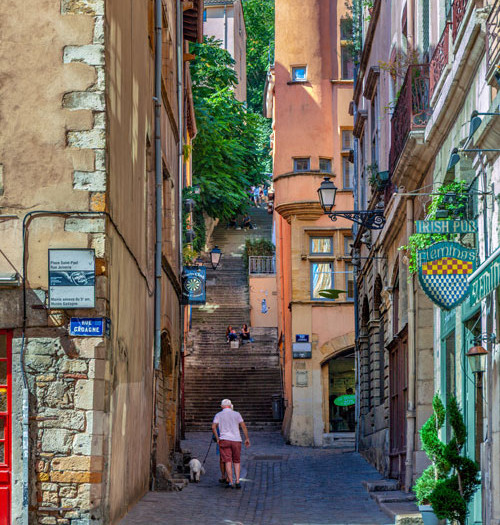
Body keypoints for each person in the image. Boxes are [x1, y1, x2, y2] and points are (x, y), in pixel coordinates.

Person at [212, 399, 250, 489]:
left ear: (222, 406)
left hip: (224, 439)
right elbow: (243, 426)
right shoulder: (237, 414)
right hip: (236, 439)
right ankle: (237, 481)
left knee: (227, 461)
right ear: (230, 405)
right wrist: (247, 438)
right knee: (237, 461)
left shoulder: (218, 415)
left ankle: (231, 482)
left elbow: (213, 427)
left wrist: (217, 438)